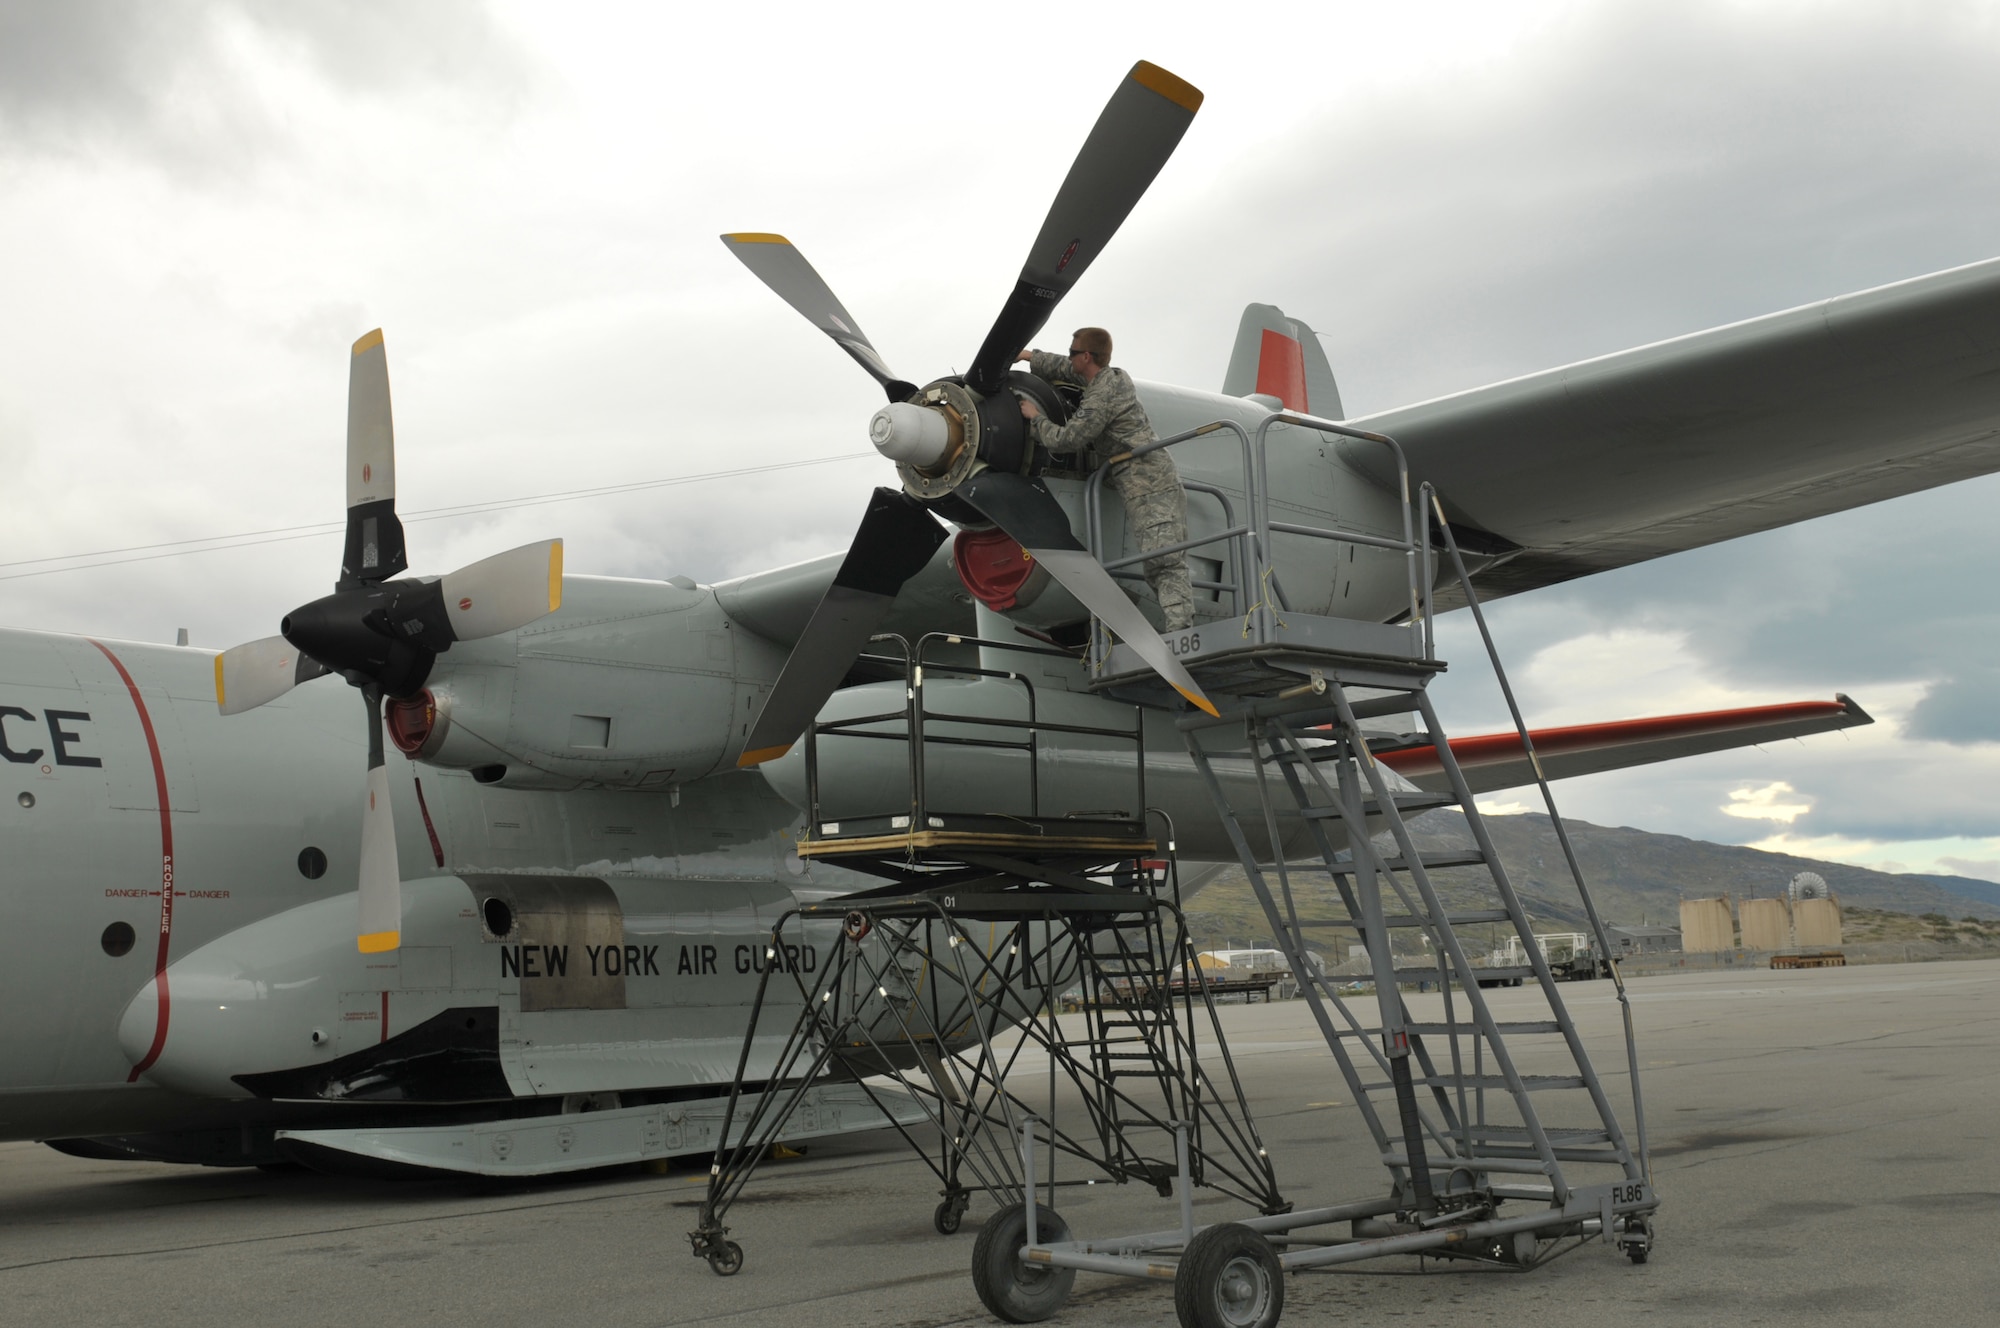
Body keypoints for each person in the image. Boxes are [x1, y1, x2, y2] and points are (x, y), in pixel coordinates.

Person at [1016, 328, 1194, 632]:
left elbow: (1069, 438)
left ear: (1086, 357)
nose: (1069, 357)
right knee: (1157, 561)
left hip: (1148, 479)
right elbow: (1064, 367)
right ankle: (1179, 628)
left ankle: (1181, 632)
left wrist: (1036, 419)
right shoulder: (1102, 377)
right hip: (1133, 477)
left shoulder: (1103, 391)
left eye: (1073, 352)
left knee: (1162, 558)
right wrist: (1029, 356)